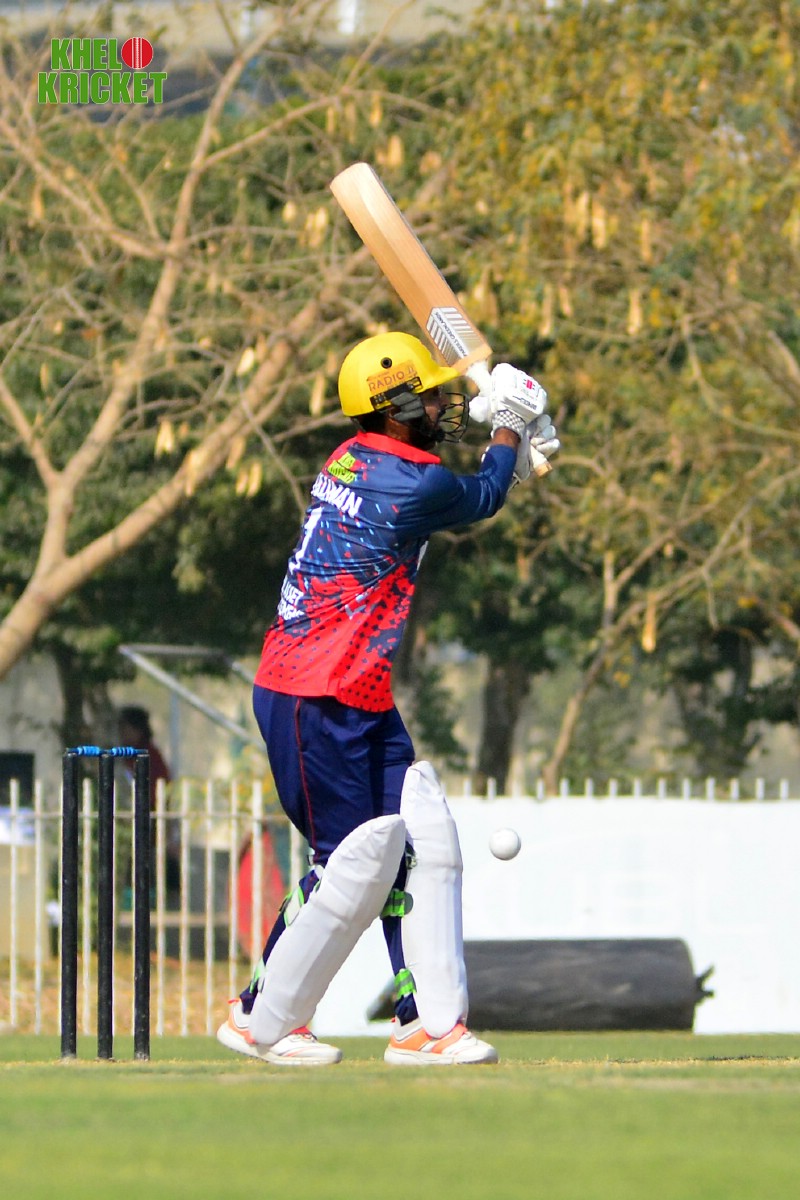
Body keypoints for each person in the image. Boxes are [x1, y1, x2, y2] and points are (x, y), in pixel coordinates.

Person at [216, 332, 559, 1066]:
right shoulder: (413, 482)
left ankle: (424, 1023)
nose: (440, 406)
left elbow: (470, 486)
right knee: (351, 861)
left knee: (420, 843)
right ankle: (258, 1016)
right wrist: (509, 426)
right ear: (397, 408)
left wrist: (506, 432)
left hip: (352, 688)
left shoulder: (351, 458)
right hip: (313, 695)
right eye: (429, 397)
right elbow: (481, 496)